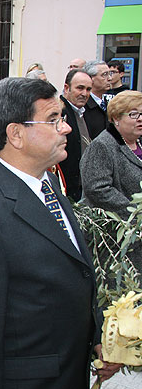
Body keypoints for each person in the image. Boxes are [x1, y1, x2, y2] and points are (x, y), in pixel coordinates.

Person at [0, 77, 120, 389]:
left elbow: (73, 270)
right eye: (54, 119)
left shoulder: (46, 182)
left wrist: (96, 335)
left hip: (64, 388)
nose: (66, 127)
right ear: (16, 134)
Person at [80, 90, 142, 270]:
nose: (140, 119)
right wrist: (135, 214)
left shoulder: (138, 142)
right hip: (114, 238)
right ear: (116, 118)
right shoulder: (103, 145)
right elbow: (97, 189)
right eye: (133, 114)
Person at [59, 69, 94, 201]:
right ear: (67, 88)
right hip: (65, 188)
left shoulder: (84, 113)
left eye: (88, 89)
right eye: (80, 88)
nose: (84, 93)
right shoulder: (60, 113)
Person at [83, 60, 112, 139]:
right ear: (91, 78)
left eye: (110, 74)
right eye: (104, 75)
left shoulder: (110, 103)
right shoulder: (83, 105)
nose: (109, 78)